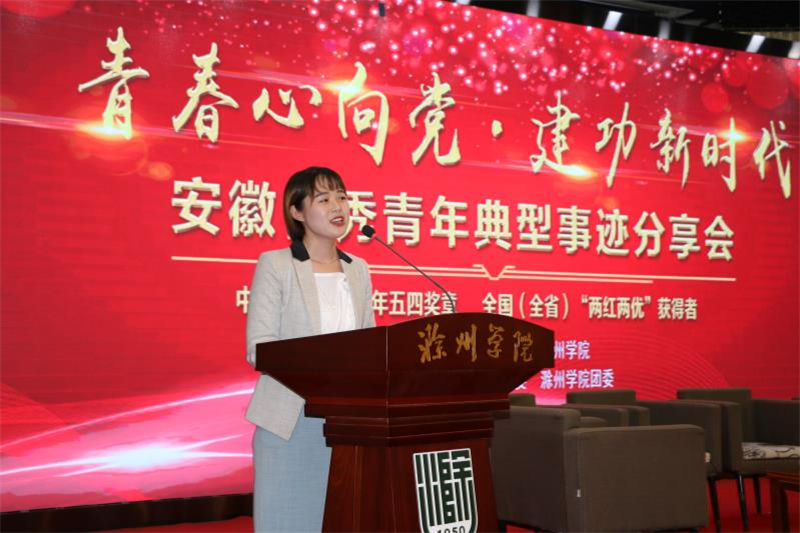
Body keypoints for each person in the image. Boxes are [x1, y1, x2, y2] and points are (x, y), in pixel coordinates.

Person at [245, 166, 375, 532]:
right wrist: (325, 366)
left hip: (348, 420)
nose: (338, 206)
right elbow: (260, 348)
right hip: (290, 416)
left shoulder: (358, 269)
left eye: (342, 197)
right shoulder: (276, 265)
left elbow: (370, 342)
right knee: (286, 520)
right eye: (324, 199)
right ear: (297, 211)